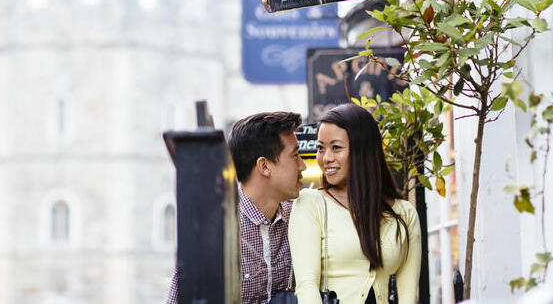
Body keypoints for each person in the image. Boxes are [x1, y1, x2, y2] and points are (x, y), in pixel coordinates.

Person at [166, 111, 306, 304]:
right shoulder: (215, 231)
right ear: (264, 166)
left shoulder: (300, 218)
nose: (303, 166)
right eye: (295, 156)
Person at [289, 103, 421, 304]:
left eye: (336, 148)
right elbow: (307, 287)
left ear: (363, 150)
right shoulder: (311, 203)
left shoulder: (404, 213)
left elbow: (408, 294)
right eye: (321, 148)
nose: (326, 158)